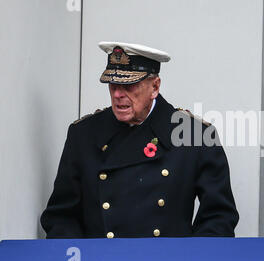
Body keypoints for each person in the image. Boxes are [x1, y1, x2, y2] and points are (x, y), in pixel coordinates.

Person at [41, 42, 239, 238]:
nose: (118, 94)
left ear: (155, 87)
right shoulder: (84, 134)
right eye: (113, 85)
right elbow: (62, 217)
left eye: (129, 85)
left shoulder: (195, 136)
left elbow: (218, 218)